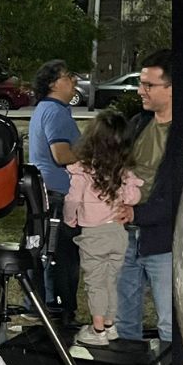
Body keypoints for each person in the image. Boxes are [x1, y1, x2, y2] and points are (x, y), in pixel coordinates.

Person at [63, 111, 143, 347]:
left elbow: (72, 200)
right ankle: (110, 325)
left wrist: (70, 219)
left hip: (93, 235)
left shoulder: (83, 172)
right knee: (111, 280)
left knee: (95, 282)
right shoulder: (123, 172)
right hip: (118, 233)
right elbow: (134, 196)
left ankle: (98, 331)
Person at [114, 49, 173, 343]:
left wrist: (138, 214)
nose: (140, 90)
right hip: (125, 235)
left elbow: (180, 196)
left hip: (163, 241)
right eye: (141, 83)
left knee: (169, 324)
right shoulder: (138, 123)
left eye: (148, 85)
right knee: (125, 319)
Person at [27, 60, 82, 327]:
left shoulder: (43, 109)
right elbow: (61, 154)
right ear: (53, 83)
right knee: (62, 257)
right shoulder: (58, 112)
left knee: (41, 252)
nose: (74, 81)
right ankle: (60, 311)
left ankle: (39, 306)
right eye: (68, 76)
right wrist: (89, 152)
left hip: (43, 192)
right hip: (59, 194)